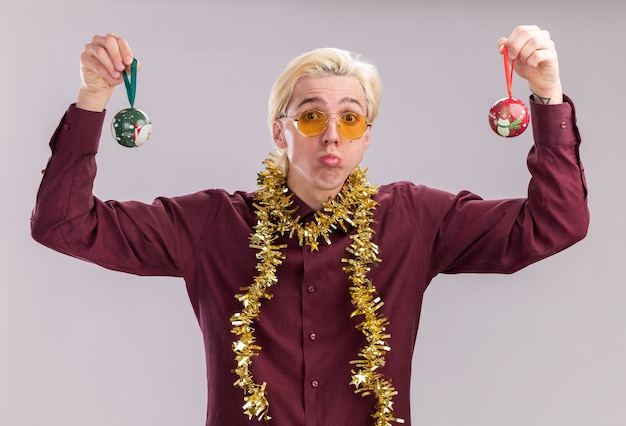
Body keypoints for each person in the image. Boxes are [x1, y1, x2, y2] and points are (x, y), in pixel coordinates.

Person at [31, 25, 589, 426]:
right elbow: (63, 223)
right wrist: (93, 99)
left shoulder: (416, 218)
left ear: (366, 137)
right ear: (281, 133)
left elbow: (554, 223)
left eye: (349, 117)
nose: (331, 135)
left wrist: (545, 93)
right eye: (312, 115)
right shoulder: (211, 224)